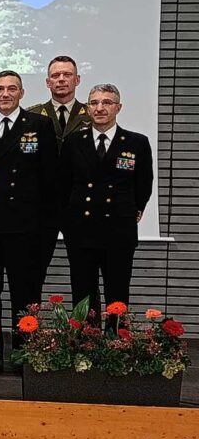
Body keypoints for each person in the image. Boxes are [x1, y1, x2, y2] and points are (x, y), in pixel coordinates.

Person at [0, 71, 57, 361]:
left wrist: (45, 225)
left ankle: (24, 353)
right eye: (0, 89)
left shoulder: (39, 125)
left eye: (12, 89)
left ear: (21, 93)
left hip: (24, 226)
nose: (5, 94)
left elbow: (50, 178)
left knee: (25, 294)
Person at [60, 84, 153, 317]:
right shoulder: (74, 141)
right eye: (94, 103)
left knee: (118, 294)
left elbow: (144, 184)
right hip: (81, 230)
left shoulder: (136, 142)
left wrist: (133, 210)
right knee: (83, 294)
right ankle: (85, 339)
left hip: (118, 230)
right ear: (87, 108)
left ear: (118, 107)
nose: (100, 108)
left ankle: (115, 339)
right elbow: (63, 184)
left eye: (107, 102)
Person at [28, 55, 91, 284]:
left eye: (67, 75)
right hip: (41, 203)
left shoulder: (92, 114)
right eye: (55, 75)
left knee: (85, 272)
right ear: (48, 82)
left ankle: (86, 311)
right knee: (33, 269)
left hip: (79, 202)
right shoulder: (32, 115)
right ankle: (30, 310)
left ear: (77, 80)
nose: (61, 79)